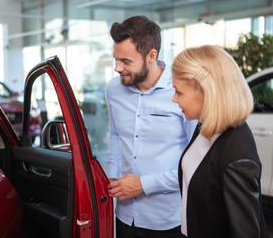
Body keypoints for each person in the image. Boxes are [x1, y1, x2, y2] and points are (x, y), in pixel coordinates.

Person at [105, 15, 197, 238]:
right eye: (115, 59)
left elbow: (196, 163)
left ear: (151, 55)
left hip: (169, 220)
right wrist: (112, 176)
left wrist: (144, 185)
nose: (118, 68)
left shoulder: (183, 92)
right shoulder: (113, 90)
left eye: (126, 61)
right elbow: (115, 135)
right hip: (125, 215)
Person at [171, 44, 269, 238]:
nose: (174, 99)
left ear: (206, 92)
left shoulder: (236, 155)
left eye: (179, 92)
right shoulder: (205, 126)